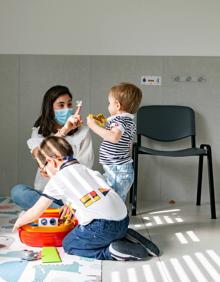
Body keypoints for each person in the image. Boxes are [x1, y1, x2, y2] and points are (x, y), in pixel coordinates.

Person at [12, 136, 160, 260]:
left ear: (52, 161)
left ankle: (112, 251)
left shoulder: (58, 179)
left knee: (69, 244)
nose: (44, 172)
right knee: (97, 226)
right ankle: (126, 235)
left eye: (43, 168)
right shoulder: (88, 171)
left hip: (102, 226)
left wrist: (20, 222)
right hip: (123, 220)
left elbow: (36, 212)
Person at [11, 85, 94, 210]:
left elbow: (85, 166)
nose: (67, 109)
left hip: (73, 195)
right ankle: (61, 214)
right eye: (61, 105)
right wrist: (64, 130)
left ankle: (52, 213)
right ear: (50, 108)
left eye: (69, 104)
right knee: (18, 192)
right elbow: (39, 154)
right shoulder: (39, 130)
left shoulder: (84, 132)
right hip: (46, 194)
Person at [87, 83, 142, 201]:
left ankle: (117, 219)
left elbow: (114, 137)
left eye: (109, 103)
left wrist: (93, 126)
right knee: (111, 199)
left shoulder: (120, 119)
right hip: (117, 169)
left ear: (117, 105)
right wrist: (106, 123)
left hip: (117, 170)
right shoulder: (127, 120)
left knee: (114, 201)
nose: (108, 106)